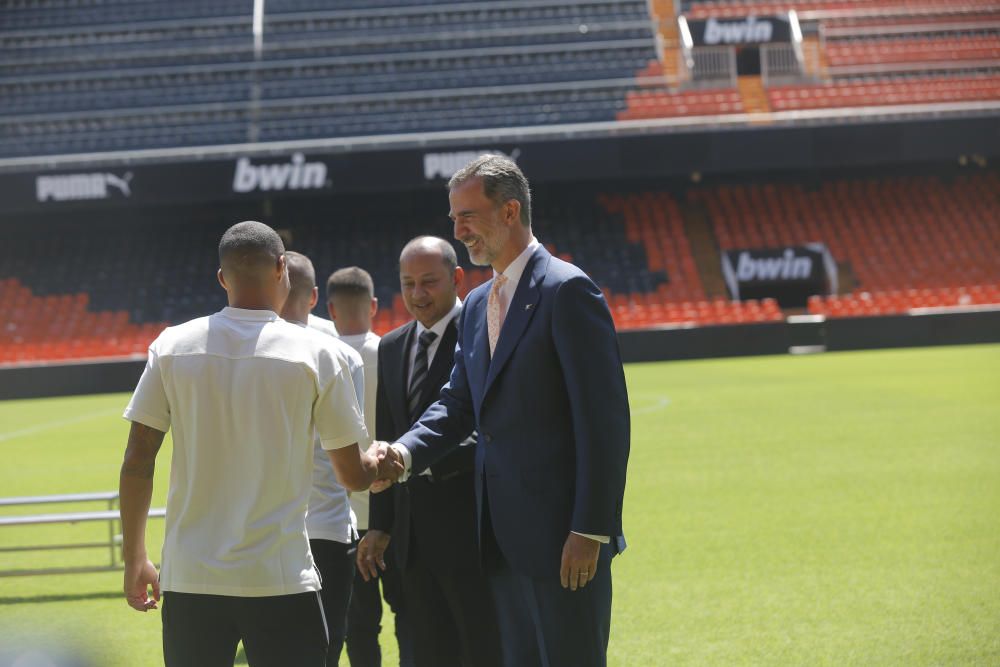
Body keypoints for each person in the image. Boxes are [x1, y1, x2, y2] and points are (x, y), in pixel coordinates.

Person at [376, 156, 630, 667]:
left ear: (511, 210)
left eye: (468, 214)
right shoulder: (475, 305)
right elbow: (458, 404)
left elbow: (604, 424)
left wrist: (590, 529)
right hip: (497, 542)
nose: (458, 229)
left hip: (564, 542)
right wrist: (401, 453)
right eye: (453, 218)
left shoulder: (566, 291)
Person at [118, 220, 400, 667]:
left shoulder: (171, 346)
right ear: (282, 269)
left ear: (222, 278)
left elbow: (137, 461)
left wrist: (135, 557)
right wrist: (384, 464)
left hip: (191, 577)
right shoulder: (318, 354)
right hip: (281, 577)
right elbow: (352, 474)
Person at [358, 237, 501, 667]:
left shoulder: (485, 335)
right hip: (410, 538)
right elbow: (387, 434)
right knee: (424, 651)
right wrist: (380, 524)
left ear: (456, 278)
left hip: (472, 530)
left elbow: (489, 428)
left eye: (429, 282)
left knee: (482, 648)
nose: (418, 295)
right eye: (408, 283)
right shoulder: (391, 345)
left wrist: (415, 461)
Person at [325, 267, 414, 667]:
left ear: (329, 309)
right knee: (412, 616)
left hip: (341, 515)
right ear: (374, 305)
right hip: (396, 509)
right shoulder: (395, 352)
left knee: (358, 627)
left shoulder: (318, 360)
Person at [280, 251, 366, 666]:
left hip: (264, 531)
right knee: (325, 650)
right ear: (314, 296)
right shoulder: (342, 355)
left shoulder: (233, 355)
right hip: (328, 529)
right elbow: (354, 461)